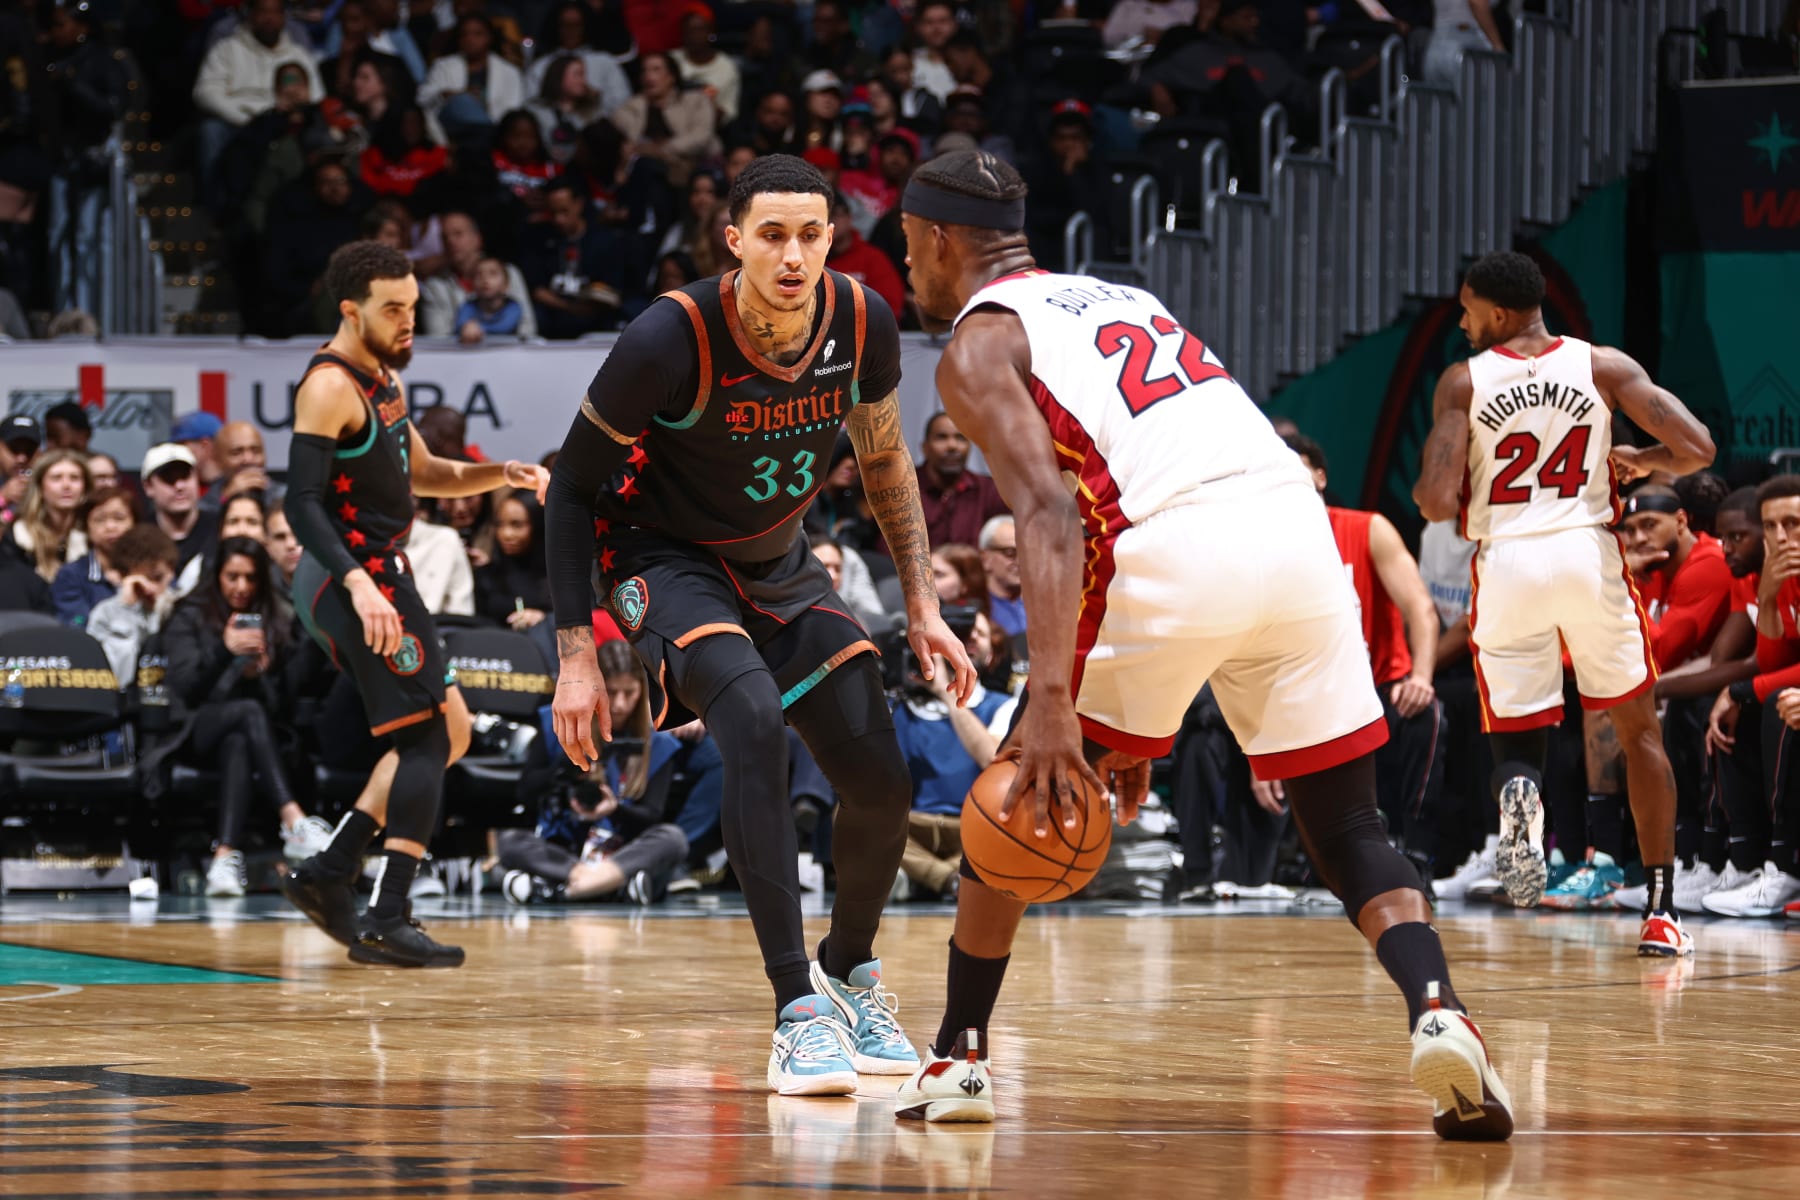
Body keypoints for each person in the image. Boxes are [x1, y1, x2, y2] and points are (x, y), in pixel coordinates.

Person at [890, 149, 1510, 1140]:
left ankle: (959, 1056)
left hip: (1171, 546)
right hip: (1301, 540)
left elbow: (1050, 516)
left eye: (907, 253)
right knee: (1351, 830)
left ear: (936, 240)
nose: (908, 275)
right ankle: (1440, 1010)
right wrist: (1132, 731)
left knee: (1017, 793)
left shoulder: (977, 344)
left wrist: (1055, 709)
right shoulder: (1119, 298)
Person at [543, 154, 976, 1093]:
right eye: (771, 235)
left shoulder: (862, 320)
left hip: (778, 561)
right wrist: (576, 656)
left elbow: (887, 461)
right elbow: (573, 490)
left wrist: (923, 604)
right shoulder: (669, 336)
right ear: (732, 240)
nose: (792, 254)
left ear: (832, 239)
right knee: (748, 721)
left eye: (810, 234)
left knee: (881, 778)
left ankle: (848, 971)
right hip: (662, 559)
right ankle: (796, 1010)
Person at [1413, 250, 1715, 954]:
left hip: (1511, 561)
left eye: (1465, 310)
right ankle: (1662, 912)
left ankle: (1521, 804)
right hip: (1587, 552)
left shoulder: (1463, 381)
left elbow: (1432, 502)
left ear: (1497, 313)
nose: (1460, 323)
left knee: (1517, 736)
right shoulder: (1601, 366)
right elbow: (1698, 448)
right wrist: (1647, 462)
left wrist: (1456, 470)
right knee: (1638, 731)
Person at [280, 241, 549, 967]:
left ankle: (332, 869)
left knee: (452, 731)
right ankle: (388, 911)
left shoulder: (383, 378)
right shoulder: (330, 386)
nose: (408, 322)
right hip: (354, 577)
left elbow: (425, 473)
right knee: (426, 739)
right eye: (392, 310)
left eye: (412, 307)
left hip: (380, 571)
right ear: (351, 310)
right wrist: (360, 583)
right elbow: (300, 504)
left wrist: (501, 474)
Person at [1288, 434, 1446, 884]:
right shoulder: (1267, 547)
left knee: (1427, 716)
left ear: (1320, 476)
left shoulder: (1367, 528)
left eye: (1295, 469)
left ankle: (1417, 857)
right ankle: (1313, 864)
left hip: (1382, 688)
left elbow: (1420, 607)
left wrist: (1421, 675)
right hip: (1316, 698)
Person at [164, 536, 335, 895]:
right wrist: (223, 652)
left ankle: (224, 858)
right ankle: (293, 820)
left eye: (250, 578)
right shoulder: (188, 615)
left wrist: (264, 676)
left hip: (251, 736)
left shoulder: (272, 619)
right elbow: (184, 689)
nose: (242, 587)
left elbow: (282, 708)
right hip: (192, 730)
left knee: (241, 736)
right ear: (216, 577)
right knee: (245, 713)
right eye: (232, 577)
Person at [501, 639, 689, 902]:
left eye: (629, 693)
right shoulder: (554, 725)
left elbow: (652, 816)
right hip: (564, 848)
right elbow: (526, 793)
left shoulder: (659, 744)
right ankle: (608, 885)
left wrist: (614, 809)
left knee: (673, 838)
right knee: (509, 841)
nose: (621, 704)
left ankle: (566, 889)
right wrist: (563, 771)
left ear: (642, 690)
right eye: (611, 692)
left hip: (621, 849)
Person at [606, 51, 719, 189]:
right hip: (645, 167)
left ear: (671, 77)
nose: (648, 76)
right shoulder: (632, 107)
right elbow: (626, 136)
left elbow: (701, 137)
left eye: (656, 70)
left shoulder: (695, 100)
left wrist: (661, 149)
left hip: (691, 164)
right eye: (644, 71)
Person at [84, 522, 180, 684]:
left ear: (171, 572)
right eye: (142, 581)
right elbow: (117, 678)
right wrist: (125, 611)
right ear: (124, 578)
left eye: (158, 578)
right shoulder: (105, 614)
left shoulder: (183, 610)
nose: (151, 588)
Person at [419, 211, 538, 338]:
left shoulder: (509, 273)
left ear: (477, 239)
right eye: (444, 237)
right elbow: (438, 339)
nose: (450, 241)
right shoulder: (435, 285)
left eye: (458, 234)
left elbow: (528, 330)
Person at [915, 411, 1008, 551]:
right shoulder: (904, 488)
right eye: (941, 437)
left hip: (973, 572)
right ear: (925, 448)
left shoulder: (988, 490)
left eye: (961, 438)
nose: (952, 446)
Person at [52, 484, 139, 627]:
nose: (110, 526)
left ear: (134, 523)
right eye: (100, 520)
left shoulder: (152, 569)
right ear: (87, 528)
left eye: (119, 518)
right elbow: (77, 623)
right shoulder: (71, 576)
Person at [6, 447, 90, 582]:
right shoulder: (18, 535)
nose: (66, 485)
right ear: (40, 487)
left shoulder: (91, 536)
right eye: (56, 478)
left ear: (85, 487)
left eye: (74, 478)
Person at [474, 488, 551, 632]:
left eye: (517, 525)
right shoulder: (485, 576)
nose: (506, 534)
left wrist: (545, 619)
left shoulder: (564, 578)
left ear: (539, 525)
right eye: (499, 524)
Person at [139, 443, 220, 576]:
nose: (179, 486)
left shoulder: (220, 528)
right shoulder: (139, 538)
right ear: (148, 487)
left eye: (185, 476)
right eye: (169, 479)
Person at [977, 514, 1023, 638]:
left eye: (1025, 553)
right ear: (985, 558)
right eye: (1010, 553)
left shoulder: (1042, 605)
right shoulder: (977, 609)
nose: (1019, 562)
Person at [266, 499, 303, 593]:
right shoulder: (259, 593)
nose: (290, 545)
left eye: (297, 533)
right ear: (267, 546)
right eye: (280, 537)